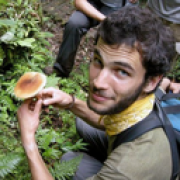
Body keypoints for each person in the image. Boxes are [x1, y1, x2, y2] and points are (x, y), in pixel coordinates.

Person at [17, 6, 180, 180]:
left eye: (122, 72)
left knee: (70, 161)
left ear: (151, 81)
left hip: (133, 164)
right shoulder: (146, 96)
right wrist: (71, 102)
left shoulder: (128, 167)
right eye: (98, 61)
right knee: (82, 124)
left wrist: (28, 140)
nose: (98, 82)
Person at [44, 0, 139, 77]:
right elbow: (79, 2)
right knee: (75, 23)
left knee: (112, 36)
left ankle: (101, 75)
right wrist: (104, 20)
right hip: (93, 3)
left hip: (119, 7)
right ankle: (61, 69)